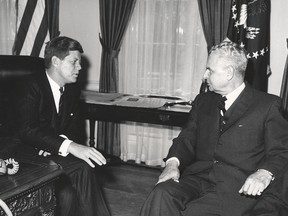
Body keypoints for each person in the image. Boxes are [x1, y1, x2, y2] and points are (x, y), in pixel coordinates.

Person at [140, 41, 288, 216]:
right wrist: (172, 164)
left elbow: (281, 151)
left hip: (235, 188)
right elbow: (186, 138)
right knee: (161, 193)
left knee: (189, 212)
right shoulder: (203, 101)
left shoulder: (267, 105)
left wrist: (264, 173)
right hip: (198, 178)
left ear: (229, 73)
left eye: (210, 70)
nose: (204, 75)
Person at [17, 36, 111, 216]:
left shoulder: (72, 89)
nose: (80, 67)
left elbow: (74, 130)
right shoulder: (30, 86)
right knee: (67, 193)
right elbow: (27, 130)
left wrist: (56, 144)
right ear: (55, 62)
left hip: (50, 151)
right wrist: (67, 145)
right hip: (22, 155)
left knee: (85, 167)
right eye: (74, 62)